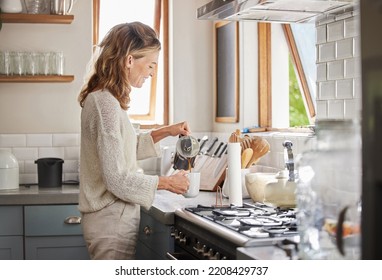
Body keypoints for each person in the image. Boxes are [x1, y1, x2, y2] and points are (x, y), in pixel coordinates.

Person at [77, 22, 190, 260]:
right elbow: (116, 178)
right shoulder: (105, 104)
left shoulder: (105, 98)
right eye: (150, 64)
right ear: (129, 60)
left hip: (111, 219)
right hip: (110, 220)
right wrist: (168, 183)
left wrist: (165, 131)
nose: (152, 72)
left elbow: (123, 150)